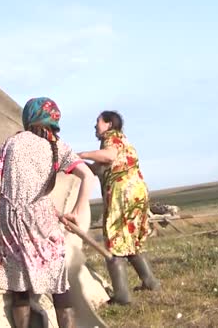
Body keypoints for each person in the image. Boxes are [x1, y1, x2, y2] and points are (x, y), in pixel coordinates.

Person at [0, 97, 96, 328]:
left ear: (29, 117)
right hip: (43, 218)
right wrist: (77, 208)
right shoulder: (59, 147)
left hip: (11, 218)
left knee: (18, 281)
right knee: (57, 279)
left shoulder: (12, 142)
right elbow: (88, 175)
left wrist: (18, 191)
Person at [78, 110, 159, 305]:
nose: (95, 126)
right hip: (136, 193)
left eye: (98, 122)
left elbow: (108, 156)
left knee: (114, 240)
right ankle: (150, 281)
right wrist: (75, 166)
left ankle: (122, 296)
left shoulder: (112, 138)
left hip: (123, 195)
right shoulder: (122, 140)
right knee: (128, 239)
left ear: (108, 124)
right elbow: (97, 169)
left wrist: (80, 154)